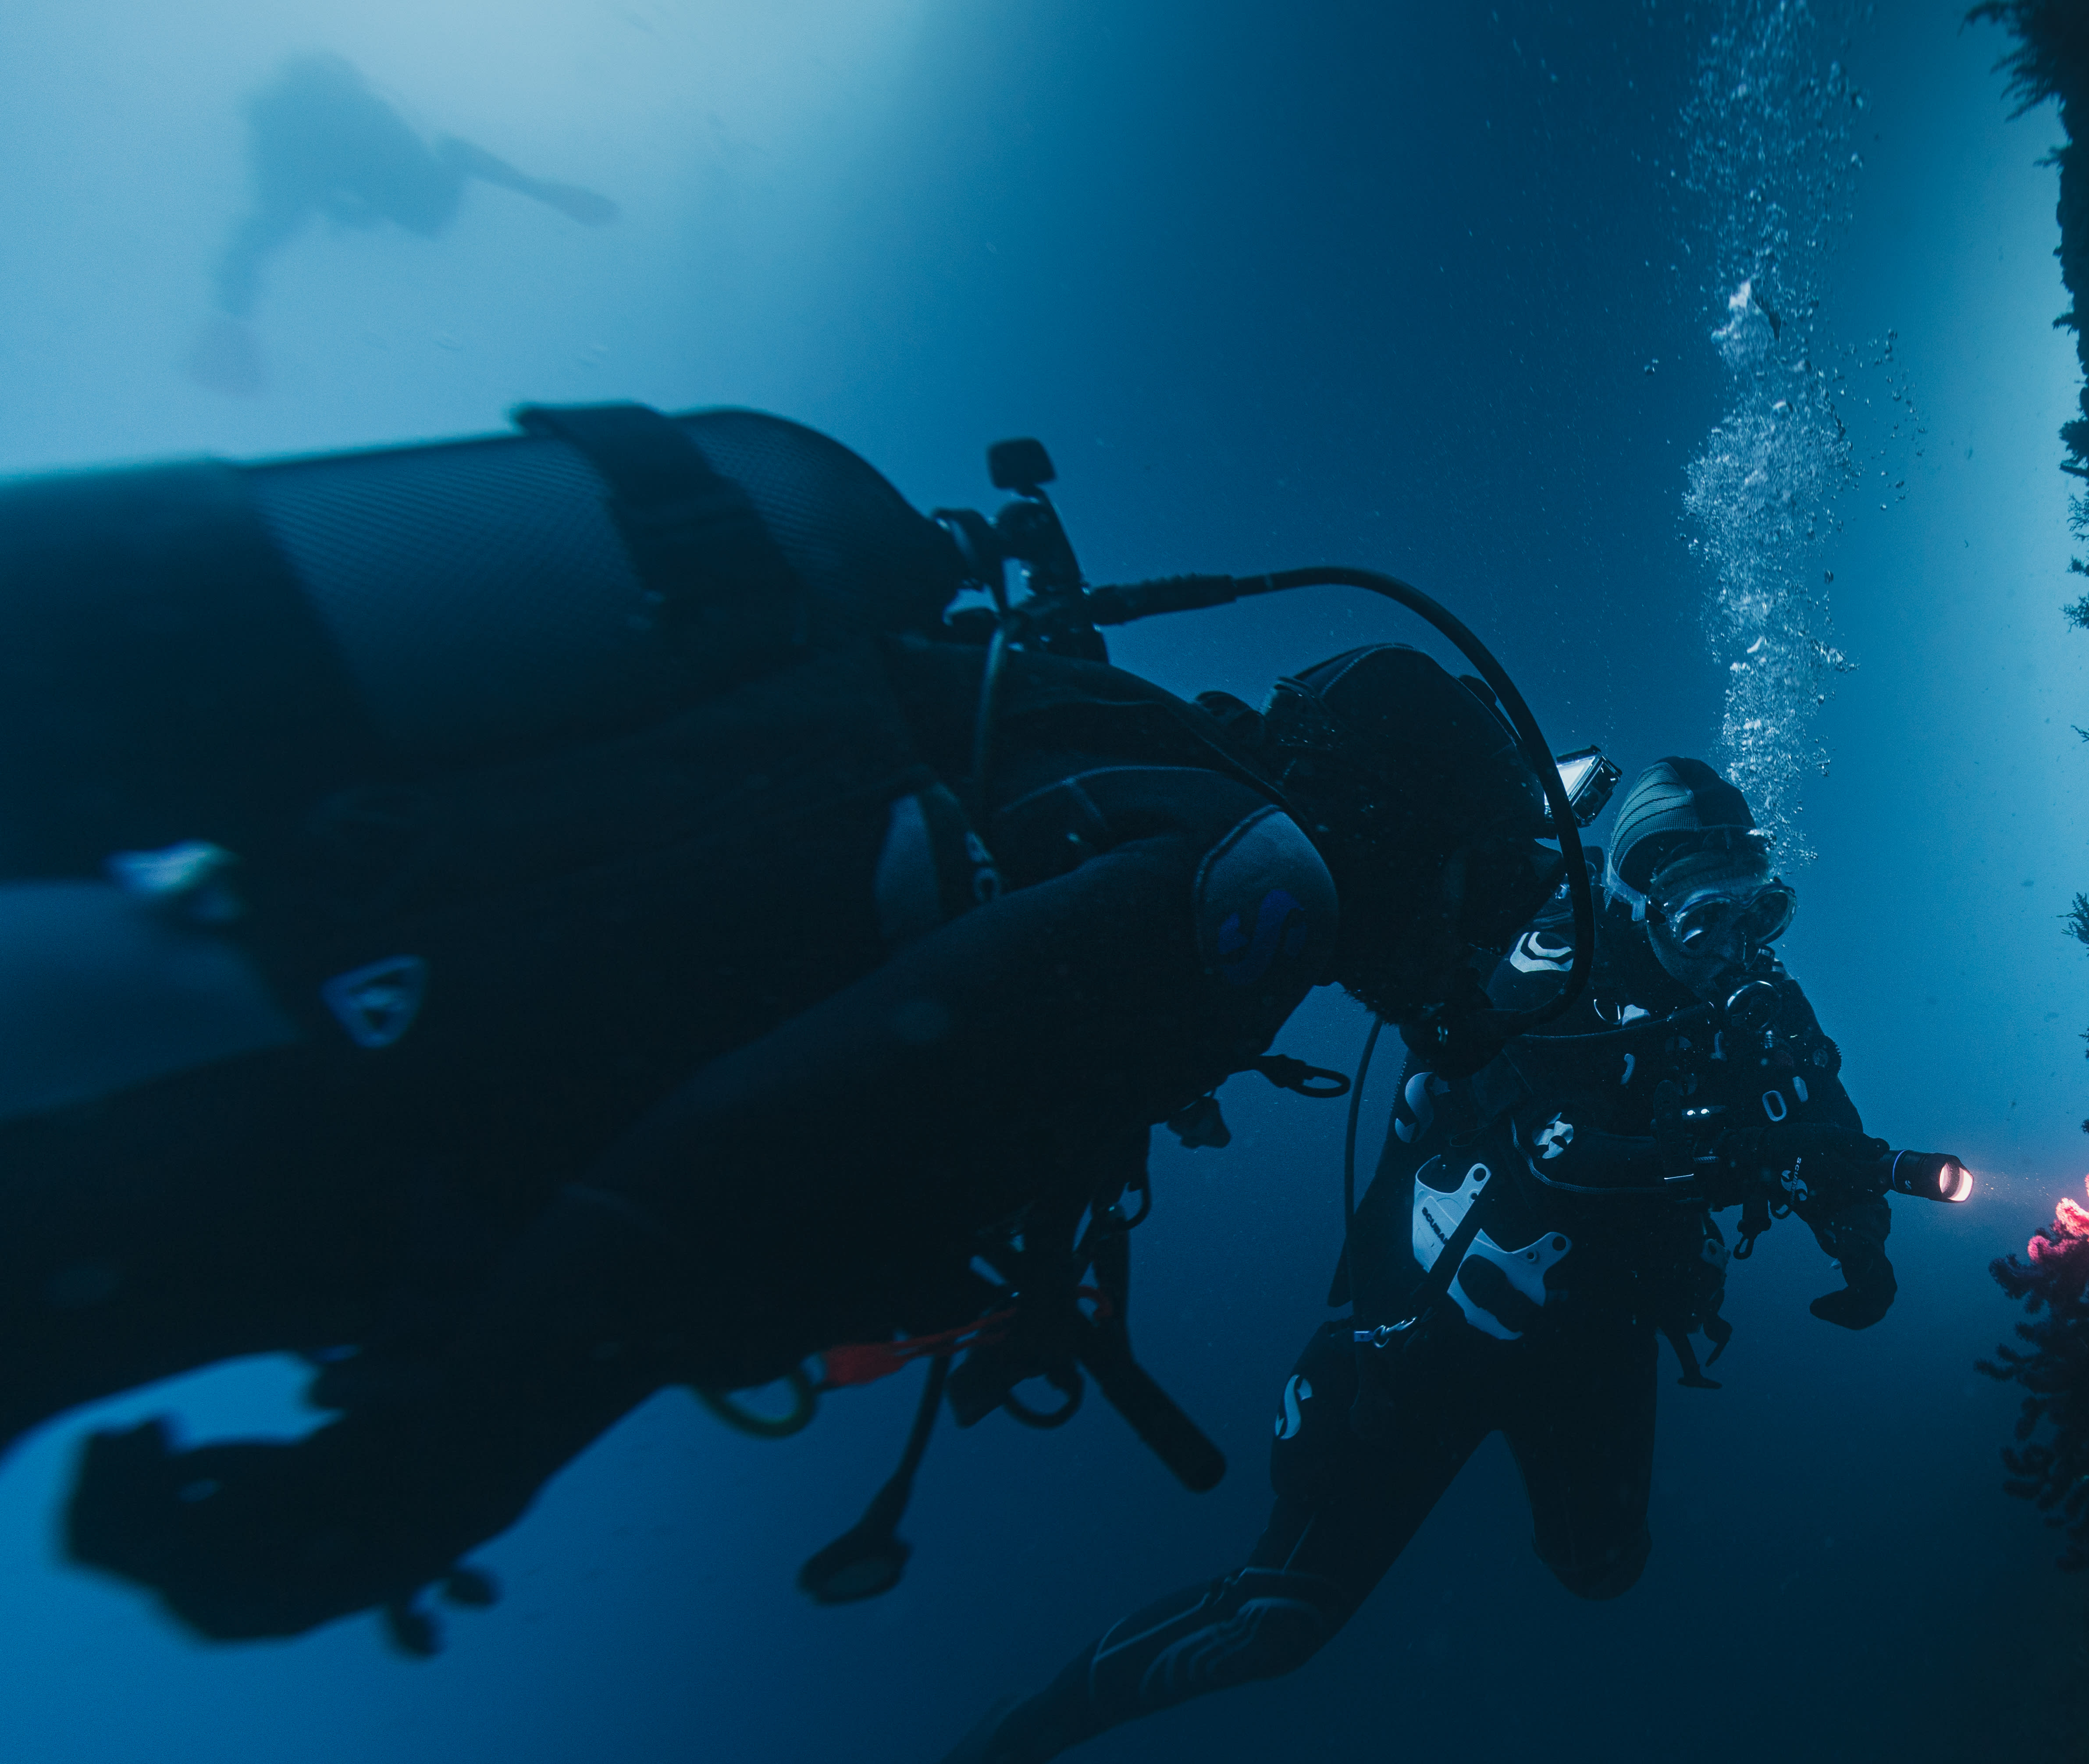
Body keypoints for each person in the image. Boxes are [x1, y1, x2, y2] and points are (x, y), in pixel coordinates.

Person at [1, 402, 1576, 1653]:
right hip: (327, 1097)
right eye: (1491, 886)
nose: (1475, 951)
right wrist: (431, 1481)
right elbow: (743, 1148)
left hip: (321, 1019)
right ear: (1407, 820)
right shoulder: (1257, 892)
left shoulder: (1082, 745)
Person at [555, 758, 1904, 1764]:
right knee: (1276, 1623)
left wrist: (1856, 1224)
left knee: (1601, 1564)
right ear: (1631, 879)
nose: (1730, 936)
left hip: (1591, 1337)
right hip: (1427, 1341)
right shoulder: (1542, 959)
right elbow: (1556, 1149)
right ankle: (1010, 1748)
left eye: (1753, 908)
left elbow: (1822, 1115)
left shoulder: (1758, 1005)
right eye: (1698, 900)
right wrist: (1744, 1166)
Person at [189, 54, 619, 394]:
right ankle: (535, 188)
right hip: (381, 176)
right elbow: (372, 163)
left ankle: (230, 317)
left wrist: (233, 307)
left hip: (348, 174)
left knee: (264, 234)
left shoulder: (288, 135)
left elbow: (276, 215)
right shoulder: (343, 116)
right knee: (441, 183)